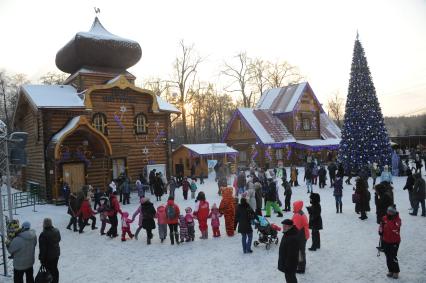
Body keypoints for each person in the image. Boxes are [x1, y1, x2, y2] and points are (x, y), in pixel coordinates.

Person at [379, 206, 401, 279]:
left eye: (391, 211)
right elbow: (381, 226)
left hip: (394, 241)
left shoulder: (397, 220)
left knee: (393, 256)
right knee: (387, 256)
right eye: (388, 211)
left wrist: (389, 220)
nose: (389, 212)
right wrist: (380, 231)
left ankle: (396, 271)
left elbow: (395, 228)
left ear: (394, 212)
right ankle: (390, 270)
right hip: (385, 240)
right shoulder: (384, 218)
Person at [39, 218, 61, 283]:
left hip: (48, 257)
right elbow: (58, 239)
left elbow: (43, 248)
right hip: (56, 254)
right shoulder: (56, 231)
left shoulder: (43, 234)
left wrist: (41, 259)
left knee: (49, 271)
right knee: (55, 269)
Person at [291, 201, 310, 274]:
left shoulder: (298, 215)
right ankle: (301, 264)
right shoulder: (300, 212)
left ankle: (301, 268)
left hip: (301, 236)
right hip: (303, 235)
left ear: (297, 207)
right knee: (301, 251)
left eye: (294, 206)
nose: (293, 207)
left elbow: (295, 227)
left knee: (300, 252)